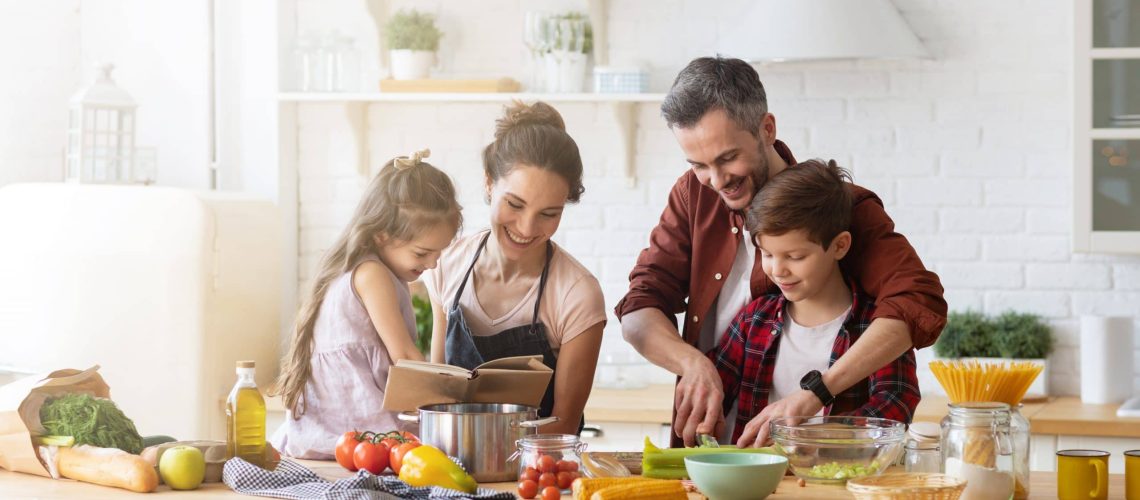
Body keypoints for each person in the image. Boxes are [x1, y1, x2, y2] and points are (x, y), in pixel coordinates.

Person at [615, 56, 946, 447]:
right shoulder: (693, 194)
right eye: (698, 164)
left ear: (766, 129)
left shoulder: (839, 207)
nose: (716, 181)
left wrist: (816, 396)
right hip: (721, 449)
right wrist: (692, 364)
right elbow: (639, 308)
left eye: (727, 158)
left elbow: (916, 301)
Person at [710, 159, 920, 447]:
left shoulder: (876, 327)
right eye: (767, 254)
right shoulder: (753, 320)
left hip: (839, 482)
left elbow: (896, 404)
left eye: (795, 257)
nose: (777, 270)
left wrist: (810, 438)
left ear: (839, 246)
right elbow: (714, 390)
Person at [425, 101, 606, 435]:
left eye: (549, 214)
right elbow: (437, 397)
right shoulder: (446, 264)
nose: (526, 227)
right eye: (515, 204)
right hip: (450, 468)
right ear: (489, 183)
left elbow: (564, 426)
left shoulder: (577, 293)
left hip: (537, 473)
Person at [270, 150, 462, 459]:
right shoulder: (372, 274)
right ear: (382, 235)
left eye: (439, 253)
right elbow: (404, 356)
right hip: (355, 426)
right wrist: (449, 400)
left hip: (336, 428)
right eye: (422, 253)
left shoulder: (367, 267)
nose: (433, 263)